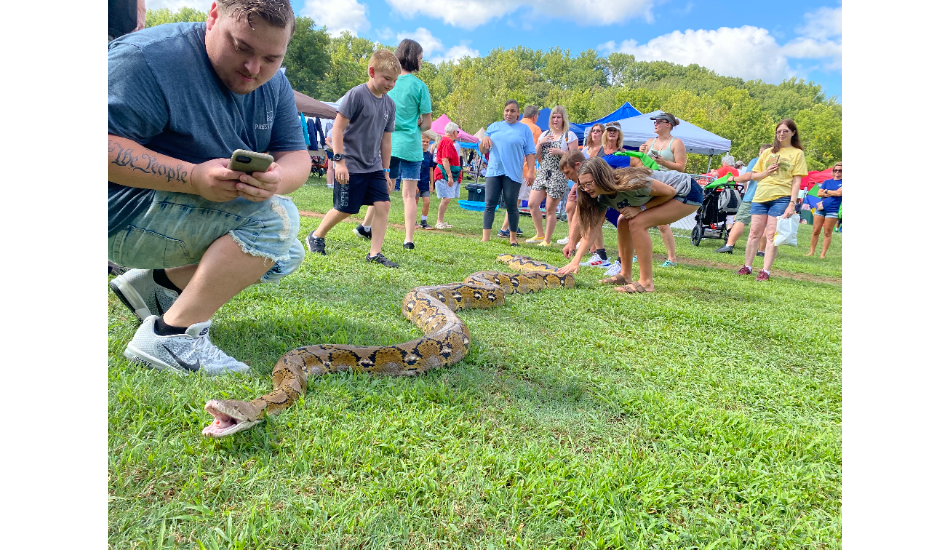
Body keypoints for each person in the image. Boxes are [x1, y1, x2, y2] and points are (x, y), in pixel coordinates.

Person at [107, 0, 311, 375]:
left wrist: (278, 177)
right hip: (115, 210)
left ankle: (153, 285)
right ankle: (171, 336)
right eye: (242, 47)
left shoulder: (275, 84)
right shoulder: (148, 58)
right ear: (213, 15)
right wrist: (191, 177)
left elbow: (297, 155)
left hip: (165, 212)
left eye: (271, 57)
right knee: (277, 221)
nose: (254, 69)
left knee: (287, 252)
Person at [305, 49, 399, 268]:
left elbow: (386, 141)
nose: (391, 84)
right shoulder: (356, 95)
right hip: (350, 164)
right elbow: (337, 129)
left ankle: (375, 254)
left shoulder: (390, 105)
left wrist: (386, 171)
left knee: (383, 204)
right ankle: (317, 235)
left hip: (373, 165)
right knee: (345, 208)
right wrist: (339, 162)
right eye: (387, 79)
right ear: (371, 71)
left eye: (394, 80)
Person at [557, 158, 703, 293]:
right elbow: (593, 228)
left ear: (601, 177)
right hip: (675, 193)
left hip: (687, 192)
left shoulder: (629, 182)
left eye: (589, 183)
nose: (587, 189)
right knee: (623, 221)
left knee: (637, 223)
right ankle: (625, 274)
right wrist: (576, 260)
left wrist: (641, 209)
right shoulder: (602, 197)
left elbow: (669, 192)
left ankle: (646, 283)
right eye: (583, 186)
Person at [356, 39, 432, 250]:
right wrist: (417, 122)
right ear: (414, 57)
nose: (422, 61)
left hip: (387, 143)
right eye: (421, 57)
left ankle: (365, 225)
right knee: (409, 194)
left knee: (383, 189)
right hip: (411, 145)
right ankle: (408, 239)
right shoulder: (420, 86)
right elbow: (427, 123)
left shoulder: (391, 81)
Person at [736, 119, 808, 281]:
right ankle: (747, 266)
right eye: (778, 131)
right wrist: (766, 172)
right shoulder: (768, 153)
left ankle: (765, 270)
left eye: (785, 131)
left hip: (781, 197)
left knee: (771, 235)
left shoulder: (797, 153)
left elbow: (797, 181)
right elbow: (754, 175)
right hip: (761, 196)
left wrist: (792, 203)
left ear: (793, 133)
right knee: (754, 232)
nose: (781, 134)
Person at [479, 100, 537, 246]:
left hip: (513, 173)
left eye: (512, 111)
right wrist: (484, 139)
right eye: (506, 110)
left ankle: (513, 239)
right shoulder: (493, 127)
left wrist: (531, 171)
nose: (509, 113)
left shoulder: (524, 130)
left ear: (518, 113)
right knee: (490, 204)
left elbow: (530, 153)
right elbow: (483, 150)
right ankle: (485, 238)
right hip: (494, 171)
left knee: (512, 205)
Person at [639, 112, 688, 268]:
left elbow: (681, 167)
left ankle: (671, 259)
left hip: (668, 185)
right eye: (655, 122)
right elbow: (641, 165)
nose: (655, 124)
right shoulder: (649, 142)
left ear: (668, 125)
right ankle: (638, 253)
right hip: (649, 183)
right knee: (638, 219)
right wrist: (641, 154)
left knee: (662, 224)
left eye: (659, 122)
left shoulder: (676, 143)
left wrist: (664, 162)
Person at [525, 105, 578, 246]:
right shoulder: (544, 134)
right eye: (553, 117)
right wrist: (540, 143)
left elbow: (575, 157)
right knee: (532, 203)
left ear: (563, 119)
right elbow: (535, 155)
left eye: (558, 117)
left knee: (550, 208)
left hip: (558, 174)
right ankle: (539, 234)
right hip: (543, 172)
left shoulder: (569, 136)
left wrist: (561, 153)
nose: (555, 119)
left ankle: (547, 240)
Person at [716, 144, 772, 255]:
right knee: (766, 225)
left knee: (740, 221)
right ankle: (761, 251)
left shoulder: (756, 160)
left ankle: (729, 245)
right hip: (768, 197)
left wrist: (733, 178)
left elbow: (747, 177)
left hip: (752, 196)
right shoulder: (773, 163)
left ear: (761, 151)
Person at [499, 104, 543, 238]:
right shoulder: (535, 129)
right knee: (516, 201)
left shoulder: (515, 125)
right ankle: (505, 228)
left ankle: (512, 225)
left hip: (509, 168)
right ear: (535, 117)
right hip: (525, 169)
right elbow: (538, 152)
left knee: (514, 200)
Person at [807, 161, 843, 259]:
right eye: (836, 170)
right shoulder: (827, 182)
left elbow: (839, 193)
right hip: (821, 208)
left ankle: (823, 254)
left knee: (827, 232)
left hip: (833, 210)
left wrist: (826, 191)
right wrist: (832, 192)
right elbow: (819, 193)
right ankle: (811, 252)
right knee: (815, 231)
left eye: (840, 170)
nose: (837, 172)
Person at [433, 122, 463, 229]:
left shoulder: (446, 141)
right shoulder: (447, 141)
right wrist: (450, 176)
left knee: (447, 198)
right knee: (446, 198)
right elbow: (445, 160)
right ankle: (439, 221)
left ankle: (441, 220)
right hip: (443, 174)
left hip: (445, 172)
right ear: (454, 132)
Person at [415, 131, 438, 230]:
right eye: (423, 141)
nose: (425, 143)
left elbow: (431, 170)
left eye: (427, 142)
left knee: (427, 201)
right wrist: (414, 184)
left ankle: (423, 221)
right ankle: (412, 221)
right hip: (416, 182)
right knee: (414, 202)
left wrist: (432, 184)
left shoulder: (429, 155)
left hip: (425, 182)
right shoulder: (416, 153)